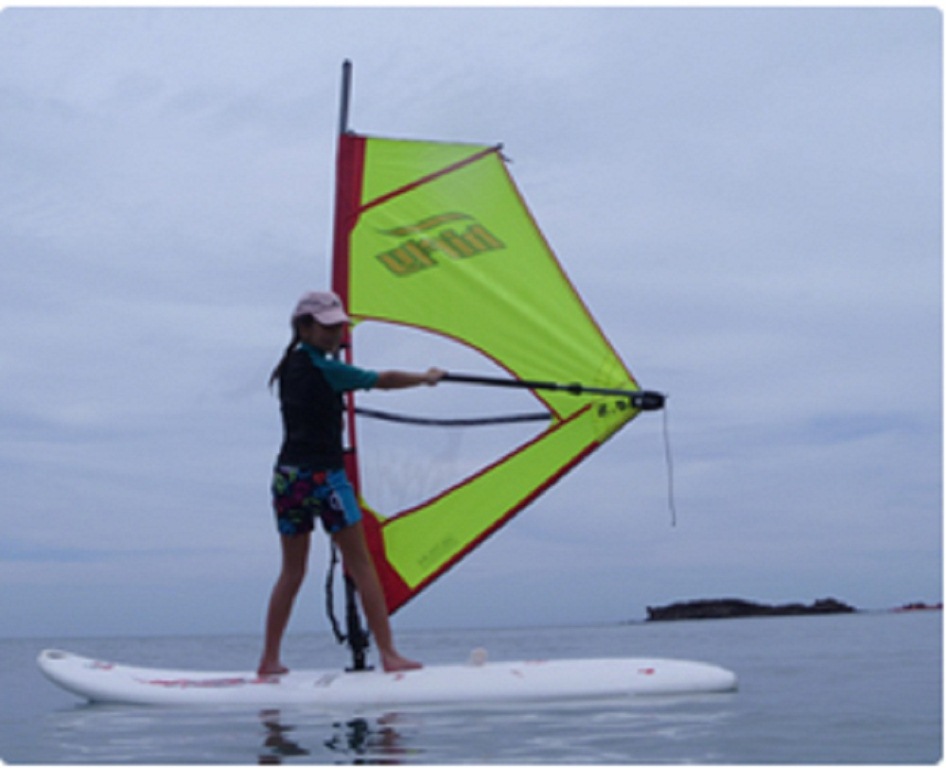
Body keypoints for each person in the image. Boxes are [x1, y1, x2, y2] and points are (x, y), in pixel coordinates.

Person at [258, 290, 444, 676]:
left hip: (287, 478)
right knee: (361, 566)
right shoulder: (326, 368)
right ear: (304, 328)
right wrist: (425, 379)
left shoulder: (288, 366)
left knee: (292, 572)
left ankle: (269, 659)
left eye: (338, 327)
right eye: (326, 327)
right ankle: (389, 654)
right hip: (325, 479)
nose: (335, 334)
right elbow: (384, 380)